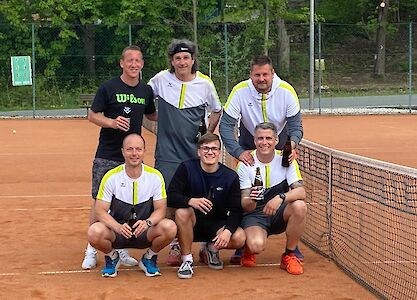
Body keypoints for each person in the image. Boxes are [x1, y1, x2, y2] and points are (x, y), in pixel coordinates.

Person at [219, 54, 304, 263]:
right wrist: (238, 152)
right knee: (241, 194)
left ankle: (292, 249)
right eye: (257, 75)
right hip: (248, 143)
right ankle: (245, 240)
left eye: (265, 74)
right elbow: (225, 126)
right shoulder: (240, 91)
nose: (261, 79)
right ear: (251, 75)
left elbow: (296, 127)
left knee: (294, 198)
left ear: (273, 73)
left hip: (280, 145)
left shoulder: (286, 91)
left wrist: (290, 146)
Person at [82, 45, 157, 270]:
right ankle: (91, 249)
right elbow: (92, 115)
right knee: (99, 201)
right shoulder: (109, 87)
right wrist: (112, 123)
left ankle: (120, 250)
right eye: (130, 60)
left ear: (142, 64)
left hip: (132, 155)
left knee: (128, 202)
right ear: (122, 63)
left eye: (138, 61)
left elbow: (152, 115)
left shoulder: (145, 91)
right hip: (107, 154)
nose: (134, 64)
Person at [148, 39, 222, 266]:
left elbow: (216, 110)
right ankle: (176, 244)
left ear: (193, 60)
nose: (182, 62)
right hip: (167, 154)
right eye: (178, 58)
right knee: (170, 200)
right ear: (172, 60)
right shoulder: (160, 80)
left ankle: (204, 244)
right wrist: (152, 122)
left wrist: (205, 137)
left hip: (193, 154)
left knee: (196, 200)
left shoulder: (204, 84)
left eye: (186, 58)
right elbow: (143, 100)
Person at [87, 133, 177, 277]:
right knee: (94, 232)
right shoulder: (111, 176)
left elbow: (161, 210)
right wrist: (117, 227)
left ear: (144, 151)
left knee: (170, 227)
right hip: (118, 233)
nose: (134, 153)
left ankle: (148, 258)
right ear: (123, 152)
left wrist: (148, 223)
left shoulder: (155, 176)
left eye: (138, 149)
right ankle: (112, 257)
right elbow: (100, 211)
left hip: (144, 232)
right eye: (129, 149)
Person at [167, 133, 245, 279]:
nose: (210, 152)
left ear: (219, 152)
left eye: (214, 149)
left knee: (239, 237)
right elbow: (171, 196)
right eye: (206, 148)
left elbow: (236, 210)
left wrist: (227, 231)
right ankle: (187, 260)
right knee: (182, 212)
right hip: (190, 225)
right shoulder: (186, 168)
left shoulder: (230, 176)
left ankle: (210, 249)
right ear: (199, 151)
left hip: (216, 227)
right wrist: (190, 201)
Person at [236, 122, 306, 275]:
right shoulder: (245, 164)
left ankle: (289, 255)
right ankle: (249, 248)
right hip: (255, 214)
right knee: (256, 245)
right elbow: (245, 204)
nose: (264, 142)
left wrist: (280, 197)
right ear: (254, 141)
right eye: (260, 138)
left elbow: (301, 192)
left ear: (276, 141)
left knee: (300, 206)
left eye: (268, 138)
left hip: (279, 211)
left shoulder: (287, 160)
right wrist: (251, 200)